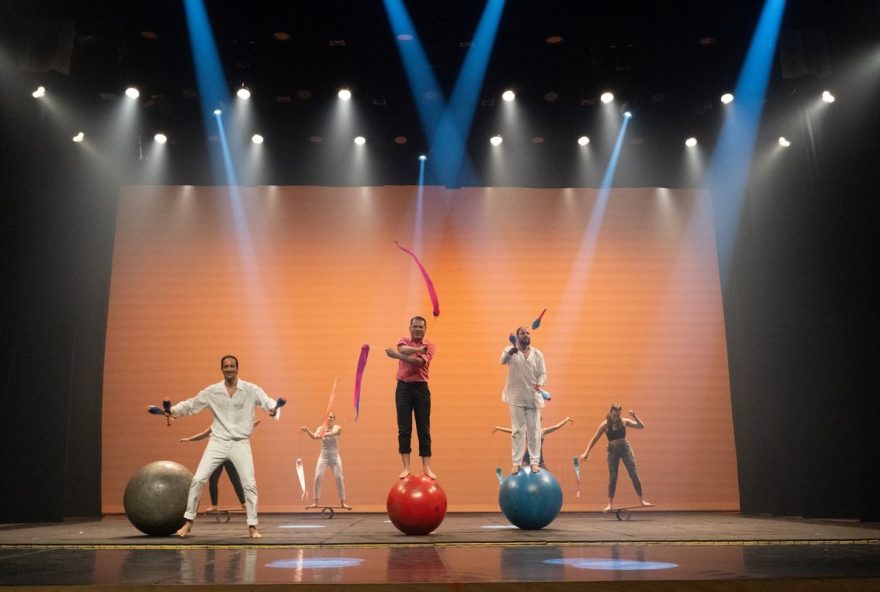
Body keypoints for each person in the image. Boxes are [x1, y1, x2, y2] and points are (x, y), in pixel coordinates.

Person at [167, 355, 283, 538]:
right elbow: (191, 405)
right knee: (197, 480)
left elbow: (267, 401)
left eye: (232, 366)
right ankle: (188, 523)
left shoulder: (251, 389)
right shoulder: (212, 391)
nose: (229, 369)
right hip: (218, 442)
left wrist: (273, 408)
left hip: (240, 443)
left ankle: (252, 526)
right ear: (222, 369)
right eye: (226, 366)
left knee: (250, 485)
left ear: (237, 368)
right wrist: (173, 411)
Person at [385, 315, 437, 479]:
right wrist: (415, 350)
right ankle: (406, 467)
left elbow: (419, 363)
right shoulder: (403, 340)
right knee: (404, 428)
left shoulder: (430, 345)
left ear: (425, 329)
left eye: (421, 327)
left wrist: (398, 356)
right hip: (403, 388)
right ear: (410, 328)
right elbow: (402, 349)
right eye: (415, 326)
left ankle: (426, 467)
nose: (418, 329)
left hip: (421, 388)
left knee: (424, 428)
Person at [580, 404, 653, 512]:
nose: (616, 417)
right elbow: (594, 439)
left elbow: (641, 426)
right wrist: (586, 452)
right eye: (614, 415)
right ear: (610, 413)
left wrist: (634, 416)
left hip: (624, 448)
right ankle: (610, 504)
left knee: (633, 473)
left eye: (618, 415)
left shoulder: (624, 421)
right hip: (612, 451)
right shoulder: (604, 425)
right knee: (613, 476)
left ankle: (641, 500)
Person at [179, 420, 261, 513]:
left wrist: (252, 425)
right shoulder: (215, 425)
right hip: (218, 455)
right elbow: (203, 435)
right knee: (213, 480)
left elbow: (243, 430)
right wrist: (190, 439)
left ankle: (243, 503)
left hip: (229, 456)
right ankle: (214, 505)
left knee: (235, 479)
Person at [500, 326, 548, 475]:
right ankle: (517, 463)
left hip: (533, 396)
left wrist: (540, 383)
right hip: (516, 397)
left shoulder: (537, 354)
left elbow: (543, 373)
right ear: (517, 336)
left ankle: (534, 462)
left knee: (534, 431)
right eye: (523, 333)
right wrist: (511, 352)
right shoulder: (510, 350)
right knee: (518, 431)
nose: (526, 335)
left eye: (528, 333)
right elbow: (502, 361)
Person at [301, 412, 351, 509]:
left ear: (334, 419)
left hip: (335, 457)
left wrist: (323, 434)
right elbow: (314, 437)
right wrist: (307, 431)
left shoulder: (337, 427)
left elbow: (333, 433)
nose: (329, 418)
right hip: (323, 456)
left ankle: (342, 503)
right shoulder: (321, 428)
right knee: (318, 477)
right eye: (328, 417)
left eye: (331, 417)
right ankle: (316, 502)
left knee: (339, 478)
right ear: (326, 419)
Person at [492, 416, 573, 470]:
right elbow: (513, 431)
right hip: (527, 458)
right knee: (522, 476)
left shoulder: (543, 431)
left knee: (547, 475)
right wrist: (499, 428)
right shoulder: (527, 431)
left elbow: (556, 427)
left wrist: (566, 419)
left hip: (539, 459)